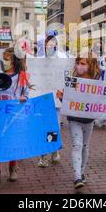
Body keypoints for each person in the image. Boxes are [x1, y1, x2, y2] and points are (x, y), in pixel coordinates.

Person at [57, 56, 106, 189]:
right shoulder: (72, 81)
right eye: (78, 63)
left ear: (90, 65)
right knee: (77, 145)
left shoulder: (98, 83)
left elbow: (105, 100)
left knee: (85, 146)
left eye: (83, 63)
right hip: (74, 119)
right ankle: (77, 177)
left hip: (89, 120)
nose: (79, 66)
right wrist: (62, 98)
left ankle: (82, 172)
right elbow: (68, 102)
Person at [0, 47, 32, 186]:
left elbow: (26, 92)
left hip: (14, 114)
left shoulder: (22, 76)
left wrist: (24, 97)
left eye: (8, 59)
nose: (5, 61)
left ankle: (12, 167)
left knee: (13, 141)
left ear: (15, 61)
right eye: (4, 58)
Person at [36, 34, 65, 168]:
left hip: (56, 99)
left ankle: (54, 149)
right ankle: (44, 155)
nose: (50, 46)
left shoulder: (63, 59)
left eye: (53, 43)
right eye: (48, 43)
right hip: (42, 98)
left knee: (54, 126)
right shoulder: (39, 60)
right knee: (43, 126)